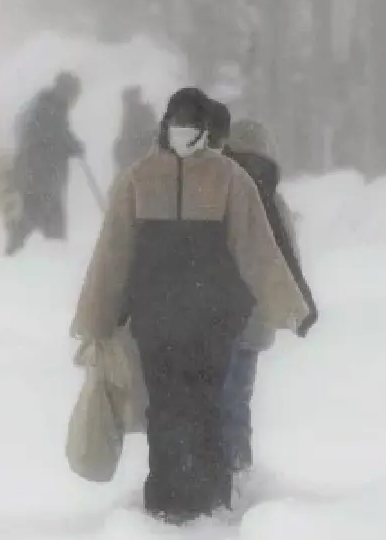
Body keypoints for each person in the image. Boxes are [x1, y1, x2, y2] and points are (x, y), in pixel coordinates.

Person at [70, 87, 309, 524]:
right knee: (163, 406)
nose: (183, 133)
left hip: (214, 318)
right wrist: (95, 318)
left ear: (202, 130)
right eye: (177, 124)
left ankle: (208, 493)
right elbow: (112, 254)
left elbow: (258, 250)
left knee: (204, 402)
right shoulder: (139, 180)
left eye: (190, 126)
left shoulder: (229, 181)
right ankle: (167, 495)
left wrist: (288, 305)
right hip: (155, 317)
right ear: (166, 125)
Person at [220, 117, 320, 473]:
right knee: (237, 399)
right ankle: (238, 469)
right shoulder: (270, 199)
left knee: (213, 398)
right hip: (254, 319)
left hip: (214, 315)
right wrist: (300, 304)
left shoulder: (217, 193)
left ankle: (217, 473)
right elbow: (288, 256)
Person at [6, 72, 85, 255]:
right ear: (65, 90)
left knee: (46, 218)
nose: (74, 100)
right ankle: (16, 252)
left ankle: (49, 254)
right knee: (38, 216)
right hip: (39, 175)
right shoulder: (48, 109)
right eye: (74, 94)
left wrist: (72, 145)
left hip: (43, 175)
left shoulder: (51, 107)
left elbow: (60, 134)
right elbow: (53, 137)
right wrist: (72, 145)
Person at [113, 85, 158, 175]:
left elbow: (153, 132)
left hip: (145, 154)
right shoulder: (128, 118)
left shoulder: (144, 112)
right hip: (133, 158)